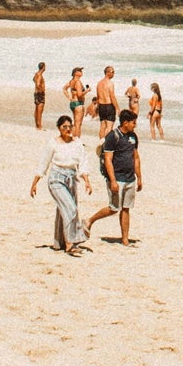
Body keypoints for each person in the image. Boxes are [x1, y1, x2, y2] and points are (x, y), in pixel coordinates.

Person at [30, 115, 94, 253]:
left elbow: (83, 163)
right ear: (59, 128)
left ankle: (59, 243)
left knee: (63, 210)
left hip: (71, 179)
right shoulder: (53, 143)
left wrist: (87, 181)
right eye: (64, 127)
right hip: (56, 179)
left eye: (69, 126)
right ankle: (71, 243)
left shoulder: (77, 143)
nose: (67, 129)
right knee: (70, 209)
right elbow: (44, 163)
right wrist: (35, 183)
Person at [87, 107, 143, 243]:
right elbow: (107, 159)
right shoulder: (112, 136)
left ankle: (125, 239)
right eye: (133, 123)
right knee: (113, 208)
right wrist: (112, 180)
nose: (135, 125)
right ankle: (90, 220)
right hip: (117, 178)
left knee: (126, 208)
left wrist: (139, 177)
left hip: (130, 178)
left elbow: (136, 157)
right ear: (125, 123)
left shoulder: (133, 136)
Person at [93, 65, 119, 139]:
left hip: (101, 106)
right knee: (109, 126)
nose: (114, 73)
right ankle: (107, 144)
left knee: (102, 126)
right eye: (113, 72)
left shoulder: (99, 83)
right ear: (107, 73)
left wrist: (97, 107)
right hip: (109, 105)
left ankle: (101, 143)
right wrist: (117, 108)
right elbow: (112, 96)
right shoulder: (110, 83)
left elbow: (98, 96)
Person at [64, 67, 87, 138]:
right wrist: (87, 90)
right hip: (78, 104)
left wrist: (69, 98)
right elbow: (79, 94)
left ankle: (73, 138)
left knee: (75, 123)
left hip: (73, 103)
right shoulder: (78, 82)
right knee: (78, 124)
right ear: (75, 73)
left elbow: (64, 89)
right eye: (80, 70)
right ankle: (77, 141)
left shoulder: (72, 81)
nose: (81, 71)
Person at [32, 61, 47, 130]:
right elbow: (38, 84)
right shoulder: (40, 75)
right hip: (40, 94)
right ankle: (39, 126)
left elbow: (33, 80)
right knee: (40, 110)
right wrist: (42, 90)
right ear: (43, 67)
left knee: (37, 109)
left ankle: (37, 125)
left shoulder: (36, 74)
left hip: (36, 93)